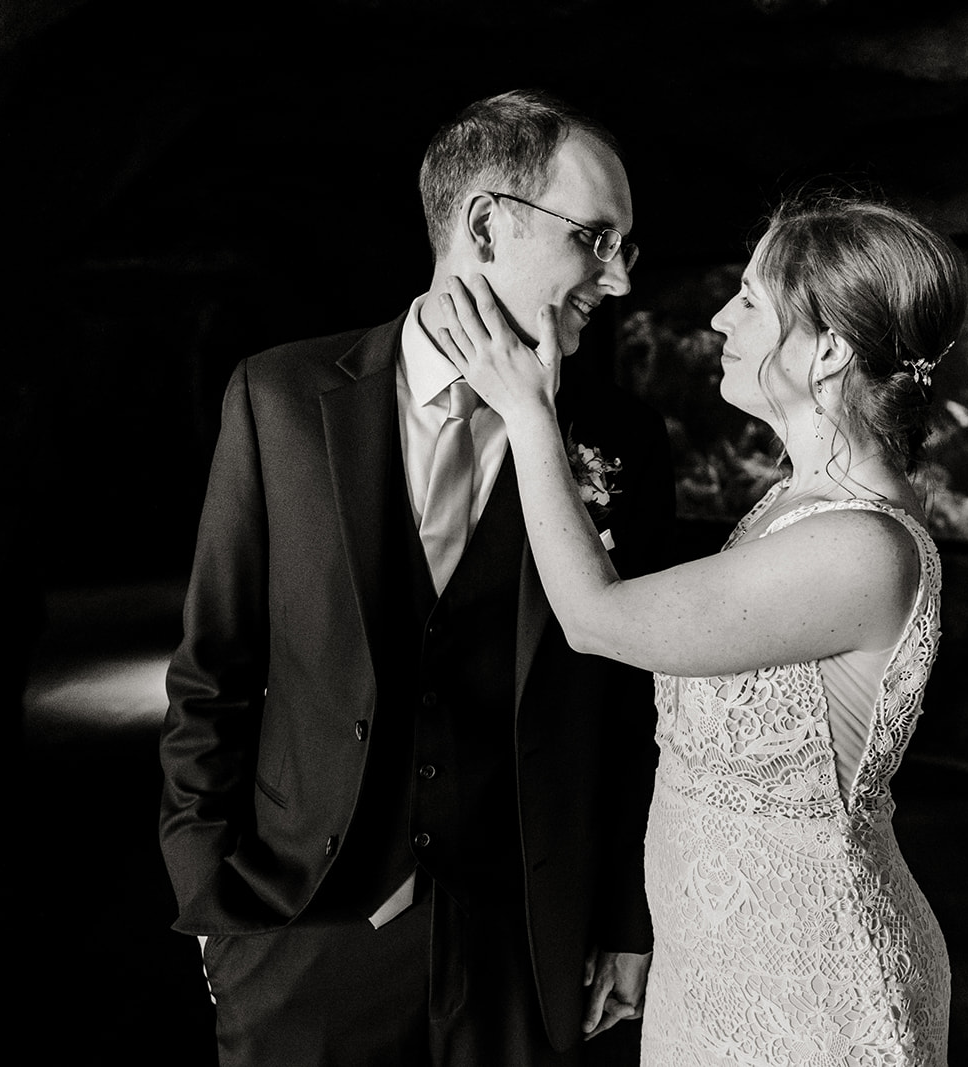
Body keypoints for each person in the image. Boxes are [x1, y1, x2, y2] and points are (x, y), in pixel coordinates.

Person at [158, 89, 677, 1067]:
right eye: (595, 239)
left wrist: (622, 917)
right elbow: (211, 672)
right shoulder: (279, 399)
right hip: (303, 936)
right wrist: (216, 906)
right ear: (485, 225)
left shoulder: (621, 439)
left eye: (625, 249)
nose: (616, 281)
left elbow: (630, 705)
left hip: (524, 944)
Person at [433, 189, 968, 1066]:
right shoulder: (795, 503)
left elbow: (597, 621)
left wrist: (529, 411)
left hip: (810, 985)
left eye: (752, 300)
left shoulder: (859, 544)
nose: (721, 316)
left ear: (830, 348)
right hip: (717, 960)